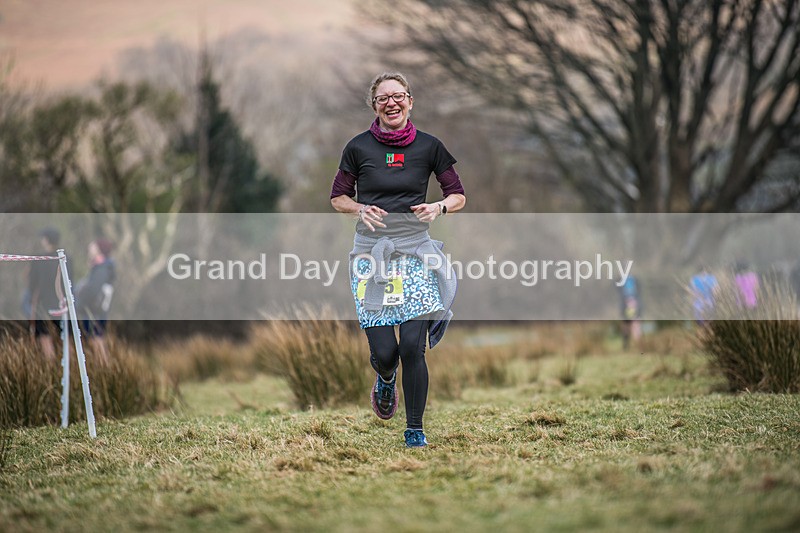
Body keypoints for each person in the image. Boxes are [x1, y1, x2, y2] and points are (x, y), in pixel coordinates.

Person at [330, 72, 466, 448]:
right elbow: (338, 197)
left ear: (410, 100)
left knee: (411, 345)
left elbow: (457, 195)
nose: (391, 102)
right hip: (370, 256)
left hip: (415, 253)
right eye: (383, 98)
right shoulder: (358, 148)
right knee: (387, 354)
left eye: (398, 96)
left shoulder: (430, 146)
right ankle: (385, 379)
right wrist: (359, 209)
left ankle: (415, 429)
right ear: (374, 106)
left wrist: (438, 206)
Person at [75, 238, 116, 360]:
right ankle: (103, 369)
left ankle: (104, 370)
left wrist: (79, 304)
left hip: (94, 311)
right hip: (94, 310)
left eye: (93, 247)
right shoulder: (101, 267)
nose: (90, 248)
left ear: (99, 250)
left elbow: (93, 290)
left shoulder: (102, 268)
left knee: (96, 341)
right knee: (96, 339)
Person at [26, 228, 64, 358]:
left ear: (46, 240)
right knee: (66, 335)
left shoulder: (39, 260)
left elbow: (32, 284)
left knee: (44, 335)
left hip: (43, 303)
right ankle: (70, 367)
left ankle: (50, 363)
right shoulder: (65, 258)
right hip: (62, 303)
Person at [618, 275, 642, 350]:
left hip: (630, 305)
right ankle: (632, 345)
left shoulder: (626, 281)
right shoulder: (633, 280)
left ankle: (631, 345)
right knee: (632, 326)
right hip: (630, 305)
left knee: (630, 326)